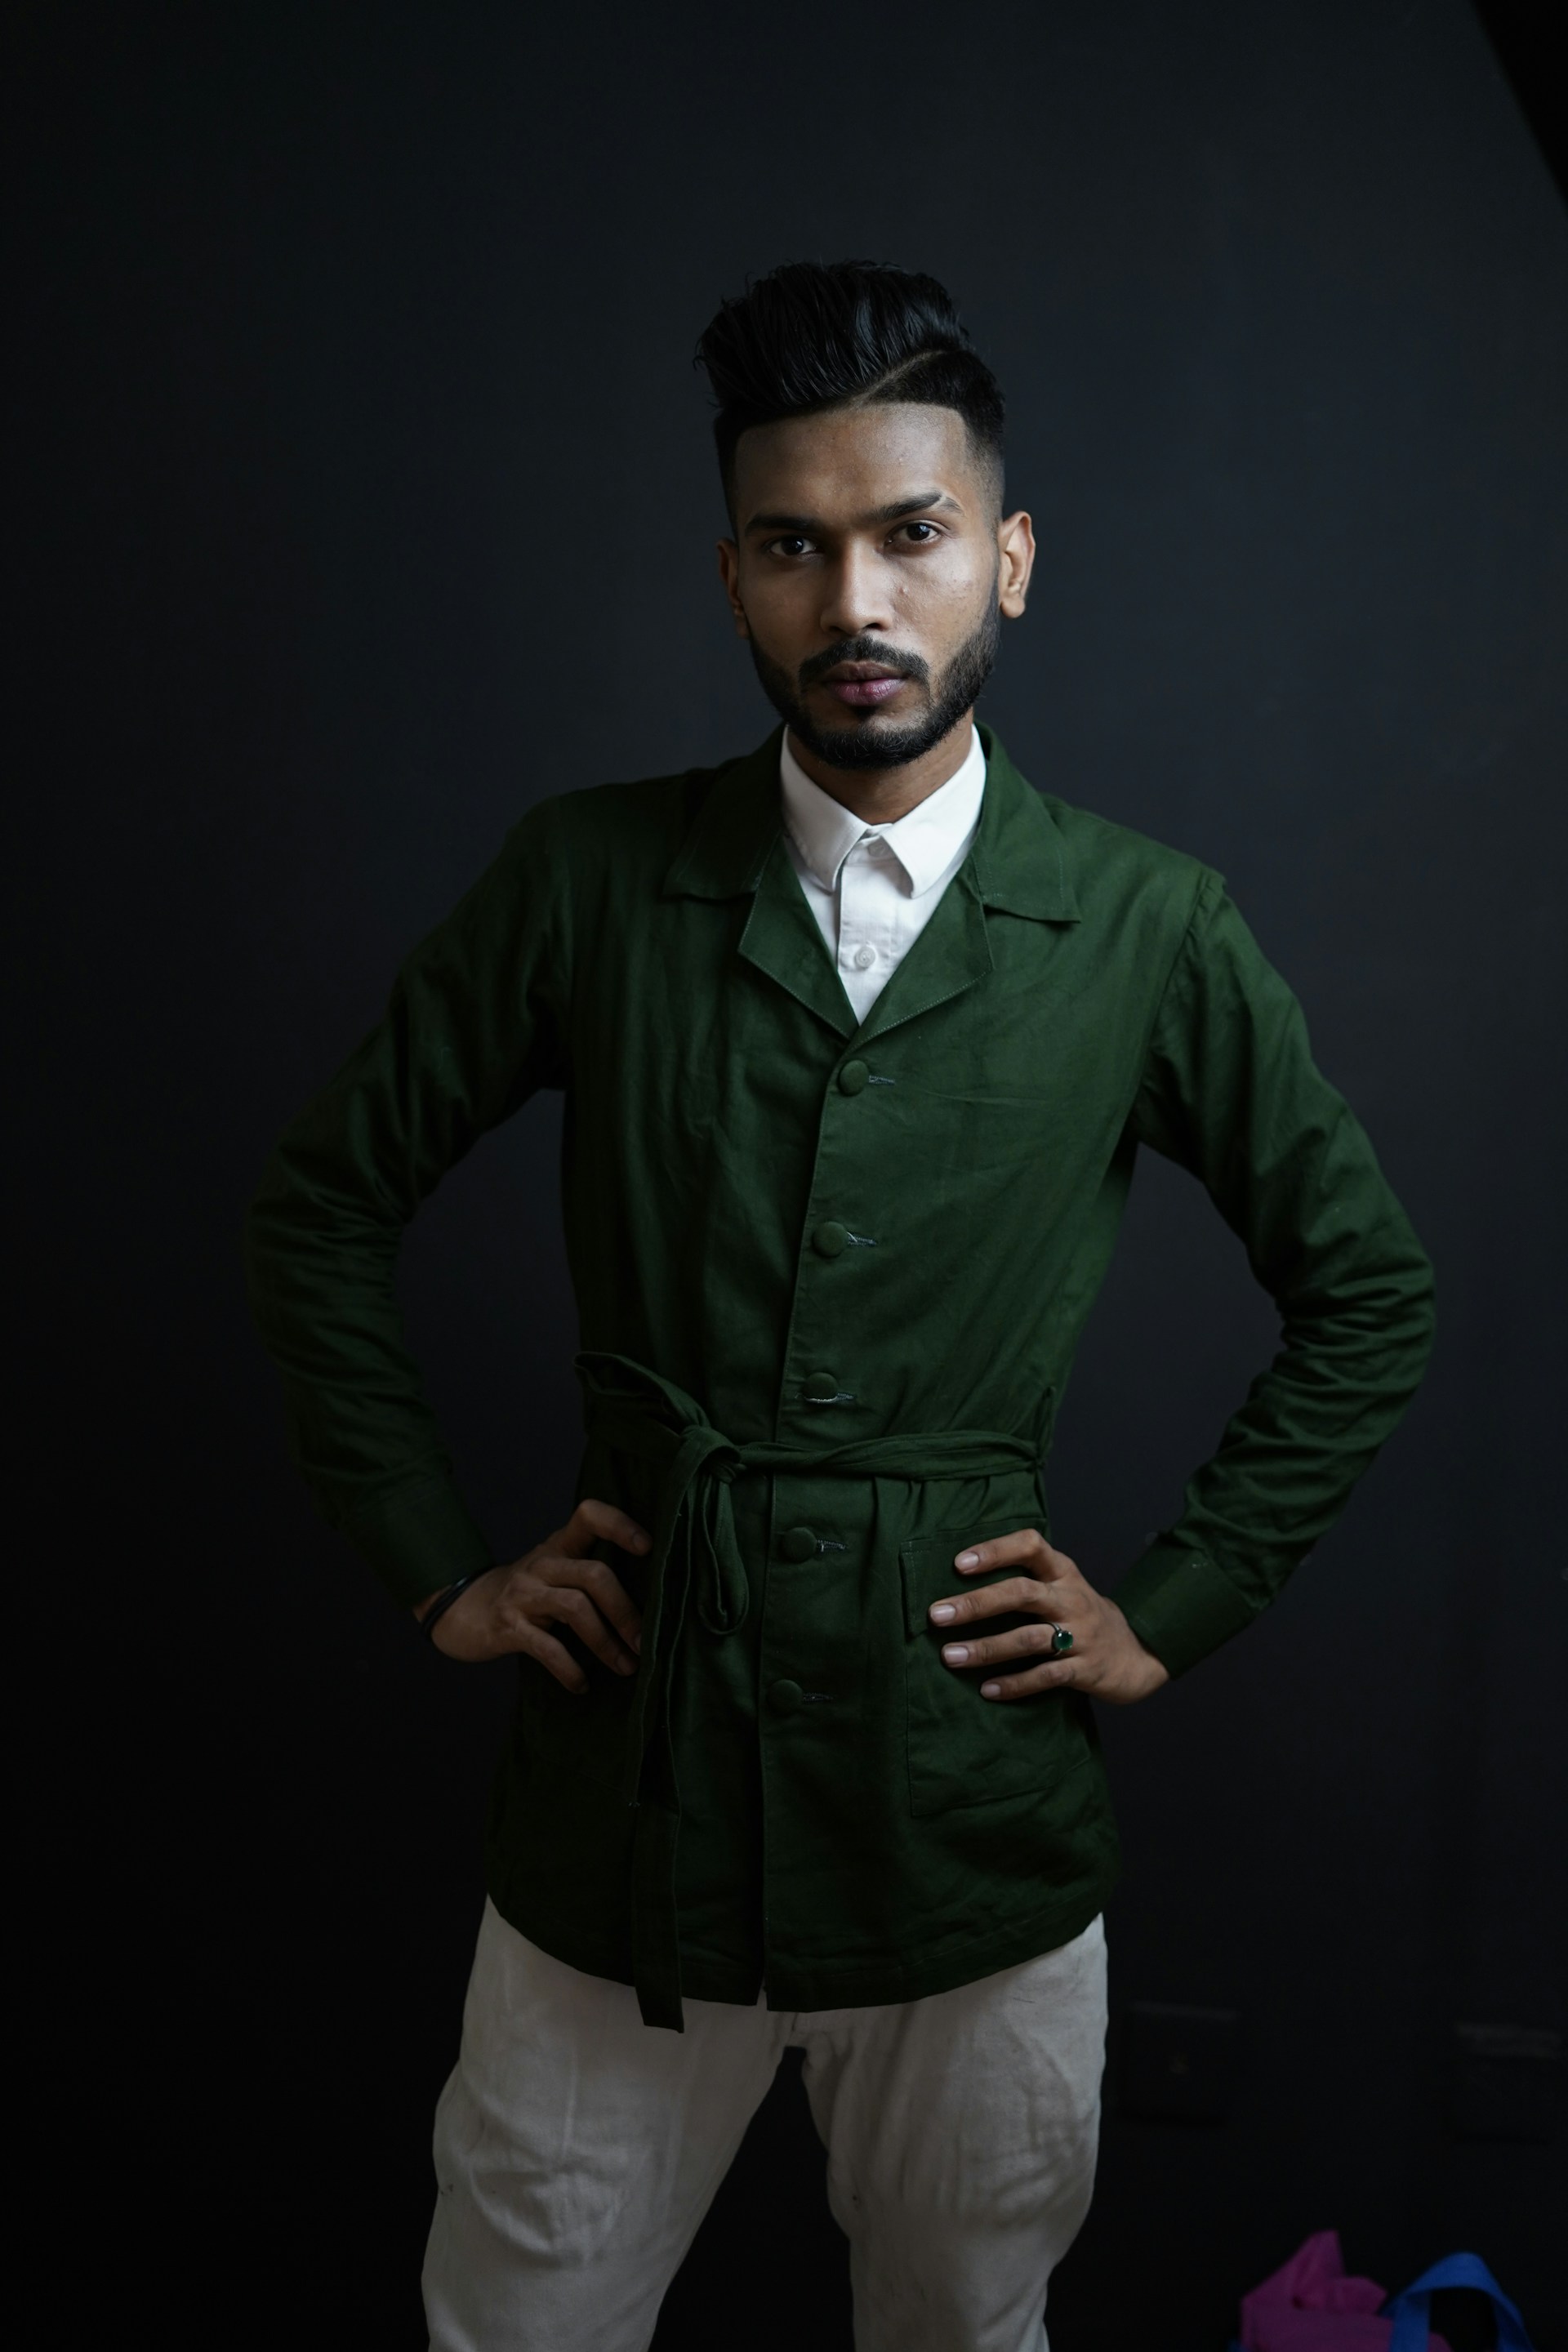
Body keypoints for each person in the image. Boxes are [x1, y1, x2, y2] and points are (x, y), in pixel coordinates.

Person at [243, 260, 1436, 2352]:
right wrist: (436, 1566)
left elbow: (1369, 1292)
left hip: (963, 1809)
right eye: (797, 546)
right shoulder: (585, 880)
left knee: (964, 2332)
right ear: (733, 577)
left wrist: (1178, 1598)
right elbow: (321, 1204)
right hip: (626, 1814)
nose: (857, 601)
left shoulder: (1147, 925)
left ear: (1011, 558)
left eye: (911, 535)